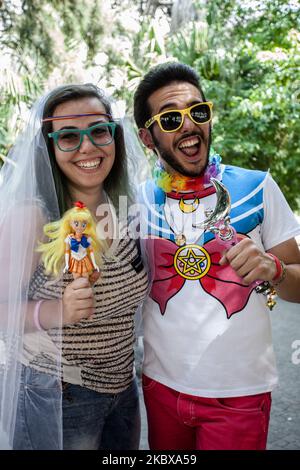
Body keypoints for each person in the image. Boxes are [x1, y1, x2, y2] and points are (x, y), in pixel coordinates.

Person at [133, 61, 300, 450]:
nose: (189, 125)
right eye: (171, 119)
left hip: (239, 393)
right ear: (148, 136)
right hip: (161, 387)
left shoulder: (256, 187)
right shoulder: (137, 201)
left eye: (198, 111)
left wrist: (273, 268)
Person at [0, 84, 148, 450]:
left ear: (115, 136)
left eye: (99, 130)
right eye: (68, 136)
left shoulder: (128, 209)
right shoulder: (34, 216)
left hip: (123, 394)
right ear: (50, 147)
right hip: (59, 395)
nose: (87, 147)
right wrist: (55, 311)